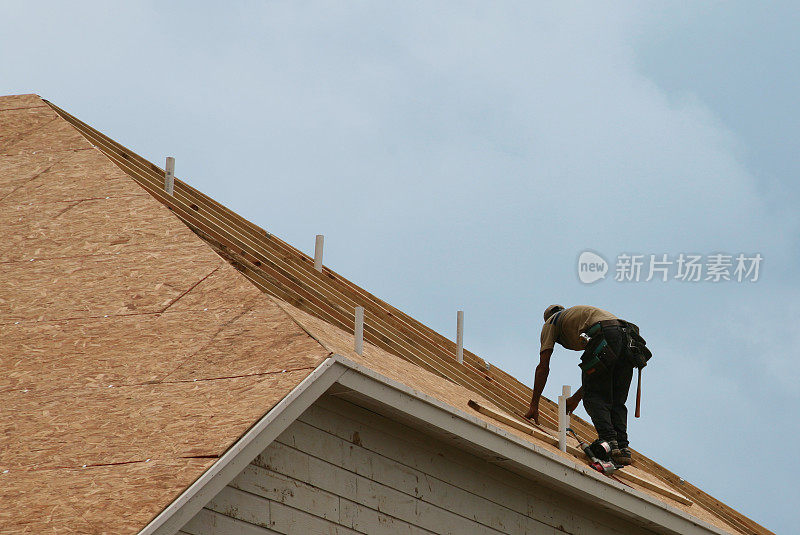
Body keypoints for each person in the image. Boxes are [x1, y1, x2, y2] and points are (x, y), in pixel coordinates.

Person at [524, 304, 634, 465]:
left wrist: (534, 405)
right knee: (615, 397)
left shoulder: (550, 322)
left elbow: (543, 367)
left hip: (605, 334)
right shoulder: (579, 316)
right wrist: (575, 399)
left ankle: (610, 442)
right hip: (628, 338)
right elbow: (595, 375)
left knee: (593, 397)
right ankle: (623, 448)